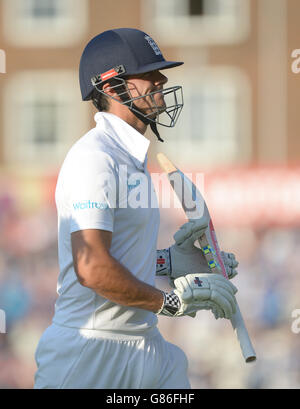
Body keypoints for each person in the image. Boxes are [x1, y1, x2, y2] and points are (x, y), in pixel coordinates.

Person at [34, 28, 239, 389]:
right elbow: (92, 267)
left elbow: (119, 255)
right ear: (113, 88)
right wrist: (170, 302)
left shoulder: (132, 159)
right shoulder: (93, 158)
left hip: (145, 343)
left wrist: (170, 262)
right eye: (149, 75)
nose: (162, 81)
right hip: (90, 351)